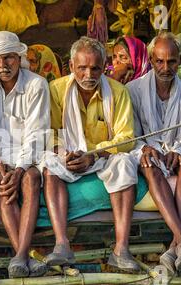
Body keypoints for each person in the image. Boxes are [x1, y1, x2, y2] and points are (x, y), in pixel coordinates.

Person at [42, 36, 140, 272]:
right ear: (72, 67)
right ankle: (62, 244)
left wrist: (93, 155)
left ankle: (121, 249)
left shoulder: (118, 92)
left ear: (104, 66)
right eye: (82, 68)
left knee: (125, 163)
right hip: (70, 156)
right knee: (48, 164)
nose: (89, 75)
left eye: (95, 68)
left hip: (102, 157)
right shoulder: (56, 89)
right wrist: (64, 153)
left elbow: (126, 138)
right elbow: (50, 134)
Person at [127, 32, 181, 274]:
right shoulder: (134, 89)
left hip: (177, 152)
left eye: (172, 61)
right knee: (148, 164)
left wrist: (179, 152)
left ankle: (175, 246)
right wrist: (146, 148)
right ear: (151, 59)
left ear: (180, 60)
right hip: (148, 154)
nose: (165, 67)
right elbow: (132, 137)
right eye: (160, 61)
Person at [0, 31, 50, 278]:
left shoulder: (36, 84)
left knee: (30, 179)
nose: (2, 65)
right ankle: (25, 254)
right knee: (3, 186)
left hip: (28, 156)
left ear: (19, 58)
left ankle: (19, 256)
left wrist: (18, 168)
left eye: (8, 58)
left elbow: (36, 133)